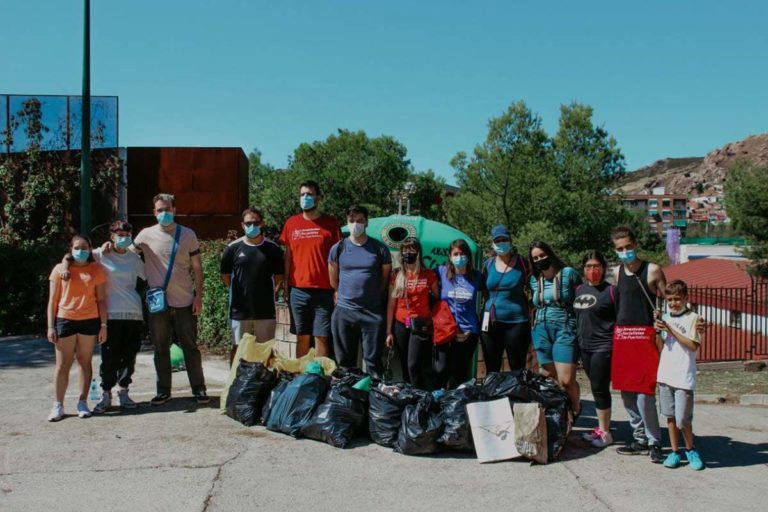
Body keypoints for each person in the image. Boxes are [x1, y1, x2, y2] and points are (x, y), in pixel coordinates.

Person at [134, 193, 208, 405]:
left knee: (190, 347)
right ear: (154, 212)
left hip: (185, 301)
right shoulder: (145, 235)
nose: (164, 213)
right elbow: (126, 254)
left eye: (167, 209)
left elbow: (197, 268)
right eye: (160, 210)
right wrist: (107, 248)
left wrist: (198, 297)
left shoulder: (188, 234)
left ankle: (199, 389)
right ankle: (163, 390)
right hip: (158, 304)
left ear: (174, 210)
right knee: (160, 348)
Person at [611, 226, 665, 462]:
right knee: (626, 392)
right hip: (623, 335)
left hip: (645, 336)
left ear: (635, 245)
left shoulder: (652, 270)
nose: (625, 252)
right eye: (620, 249)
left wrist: (664, 322)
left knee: (645, 393)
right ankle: (639, 437)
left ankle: (655, 441)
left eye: (628, 247)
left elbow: (669, 299)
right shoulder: (617, 272)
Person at [46, 235, 108, 421]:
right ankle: (58, 405)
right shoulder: (59, 269)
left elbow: (102, 300)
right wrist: (50, 326)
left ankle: (82, 402)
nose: (81, 251)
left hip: (90, 321)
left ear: (90, 249)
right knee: (62, 365)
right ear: (70, 248)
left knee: (84, 361)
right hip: (65, 320)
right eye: (77, 247)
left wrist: (103, 325)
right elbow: (52, 301)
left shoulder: (97, 269)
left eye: (85, 247)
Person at [89, 221, 147, 412]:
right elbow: (73, 256)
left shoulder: (134, 258)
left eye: (127, 234)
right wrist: (64, 266)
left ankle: (124, 391)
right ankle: (106, 395)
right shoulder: (100, 254)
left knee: (129, 356)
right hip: (110, 315)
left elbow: (149, 276)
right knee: (109, 356)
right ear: (111, 235)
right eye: (119, 234)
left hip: (133, 313)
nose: (123, 237)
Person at [328, 205, 392, 377]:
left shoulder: (380, 249)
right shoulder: (338, 248)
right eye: (352, 221)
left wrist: (372, 296)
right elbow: (333, 278)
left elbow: (384, 279)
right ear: (347, 222)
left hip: (372, 313)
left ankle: (374, 398)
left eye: (360, 221)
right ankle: (348, 400)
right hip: (344, 313)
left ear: (366, 222)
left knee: (373, 363)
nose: (356, 224)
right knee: (345, 364)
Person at [279, 180, 340, 357]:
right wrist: (285, 284)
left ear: (318, 198)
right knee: (302, 336)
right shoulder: (291, 223)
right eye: (302, 194)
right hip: (297, 290)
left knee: (322, 336)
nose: (305, 198)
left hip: (324, 290)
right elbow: (288, 256)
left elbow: (336, 260)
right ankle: (300, 377)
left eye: (309, 194)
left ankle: (319, 378)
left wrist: (337, 287)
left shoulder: (331, 224)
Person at [220, 207, 284, 365]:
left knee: (266, 350)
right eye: (248, 223)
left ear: (262, 224)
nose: (252, 226)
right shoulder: (232, 248)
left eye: (255, 222)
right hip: (239, 310)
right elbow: (225, 276)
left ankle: (267, 383)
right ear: (242, 225)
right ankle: (234, 381)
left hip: (265, 310)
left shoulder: (273, 249)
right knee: (238, 349)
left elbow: (279, 277)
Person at [655, 280, 705, 470]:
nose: (674, 303)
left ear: (686, 298)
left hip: (684, 376)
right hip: (665, 375)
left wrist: (671, 330)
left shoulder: (694, 318)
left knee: (683, 419)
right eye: (670, 299)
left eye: (677, 299)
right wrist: (657, 331)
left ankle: (690, 449)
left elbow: (693, 345)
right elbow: (660, 346)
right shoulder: (665, 317)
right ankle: (674, 451)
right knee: (670, 417)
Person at [529, 241, 583, 416]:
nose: (539, 260)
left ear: (550, 254)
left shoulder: (568, 274)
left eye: (542, 255)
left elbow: (582, 298)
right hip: (541, 329)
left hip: (565, 327)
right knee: (550, 376)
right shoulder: (534, 279)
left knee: (566, 380)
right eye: (535, 258)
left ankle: (575, 410)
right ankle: (561, 414)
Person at [385, 237, 439, 390]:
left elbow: (438, 298)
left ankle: (418, 393)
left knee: (414, 363)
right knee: (404, 363)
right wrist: (388, 331)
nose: (408, 253)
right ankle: (409, 395)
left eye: (411, 249)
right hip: (401, 323)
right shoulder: (396, 275)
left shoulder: (428, 274)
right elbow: (391, 304)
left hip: (421, 324)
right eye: (405, 250)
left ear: (418, 252)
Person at [574, 250, 615, 447]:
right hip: (585, 346)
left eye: (596, 266)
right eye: (589, 267)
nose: (592, 270)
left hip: (603, 346)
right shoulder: (580, 289)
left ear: (603, 268)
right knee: (595, 386)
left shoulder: (611, 291)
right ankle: (600, 427)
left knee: (600, 388)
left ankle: (606, 433)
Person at [480, 225, 532, 373]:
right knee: (492, 366)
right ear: (493, 243)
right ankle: (493, 395)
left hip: (517, 322)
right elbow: (483, 288)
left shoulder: (523, 263)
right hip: (490, 321)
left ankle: (516, 395)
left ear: (510, 241)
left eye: (504, 239)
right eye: (498, 241)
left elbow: (533, 287)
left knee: (517, 365)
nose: (501, 243)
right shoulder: (487, 264)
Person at [435, 239, 483, 389]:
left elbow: (493, 294)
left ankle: (456, 407)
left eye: (462, 254)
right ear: (450, 256)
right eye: (455, 254)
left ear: (468, 256)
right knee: (441, 370)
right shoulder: (441, 272)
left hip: (468, 333)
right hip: (445, 331)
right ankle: (440, 404)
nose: (459, 257)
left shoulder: (477, 277)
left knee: (459, 374)